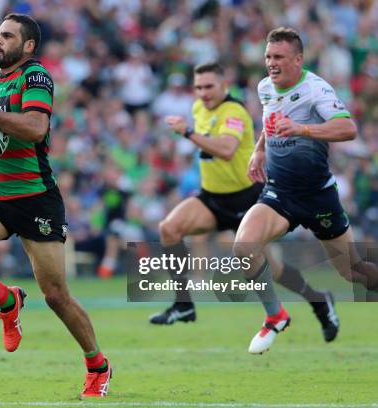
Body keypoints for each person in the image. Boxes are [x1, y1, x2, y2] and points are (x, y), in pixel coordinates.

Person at [0, 14, 112, 398]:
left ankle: (97, 363)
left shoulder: (36, 77)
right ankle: (7, 300)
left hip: (35, 197)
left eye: (8, 36)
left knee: (56, 296)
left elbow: (35, 128)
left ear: (28, 45)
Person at [149, 62, 340, 345]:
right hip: (213, 197)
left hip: (247, 199)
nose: (203, 92)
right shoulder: (199, 108)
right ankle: (183, 304)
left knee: (273, 270)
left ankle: (319, 301)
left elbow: (226, 150)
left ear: (224, 85)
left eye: (209, 86)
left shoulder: (234, 111)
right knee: (168, 229)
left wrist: (188, 132)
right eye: (198, 87)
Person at [235, 27, 378, 354]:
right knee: (244, 248)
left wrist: (303, 128)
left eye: (279, 57)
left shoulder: (316, 90)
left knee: (353, 271)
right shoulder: (265, 87)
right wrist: (259, 149)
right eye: (268, 56)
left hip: (318, 196)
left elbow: (348, 128)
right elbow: (269, 120)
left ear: (298, 60)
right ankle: (275, 316)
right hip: (280, 193)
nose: (271, 63)